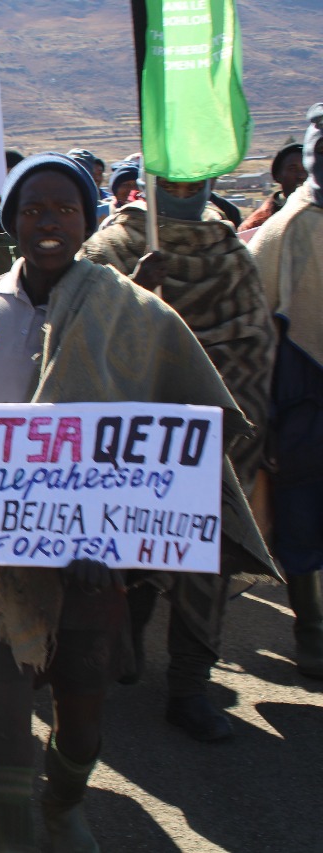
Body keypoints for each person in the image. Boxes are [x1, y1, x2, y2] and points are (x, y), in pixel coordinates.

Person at [0, 153, 274, 852]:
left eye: (65, 208)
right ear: (10, 222)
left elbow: (170, 432)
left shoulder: (132, 312)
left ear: (87, 218)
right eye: (32, 209)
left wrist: (121, 546)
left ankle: (65, 802)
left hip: (87, 565)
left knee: (81, 729)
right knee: (3, 749)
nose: (49, 221)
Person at [82, 174, 275, 741]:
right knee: (135, 549)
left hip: (213, 439)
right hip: (138, 437)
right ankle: (130, 638)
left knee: (205, 561)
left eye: (196, 178)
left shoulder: (231, 250)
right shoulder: (113, 245)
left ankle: (189, 687)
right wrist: (137, 298)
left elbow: (255, 339)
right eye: (172, 176)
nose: (185, 185)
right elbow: (87, 334)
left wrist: (224, 405)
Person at [249, 103, 323, 680]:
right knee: (300, 512)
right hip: (301, 390)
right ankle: (310, 628)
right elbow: (260, 327)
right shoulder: (286, 228)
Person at [242, 142, 307, 232]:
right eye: (292, 169)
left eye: (307, 169)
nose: (301, 176)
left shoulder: (318, 216)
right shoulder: (255, 225)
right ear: (278, 176)